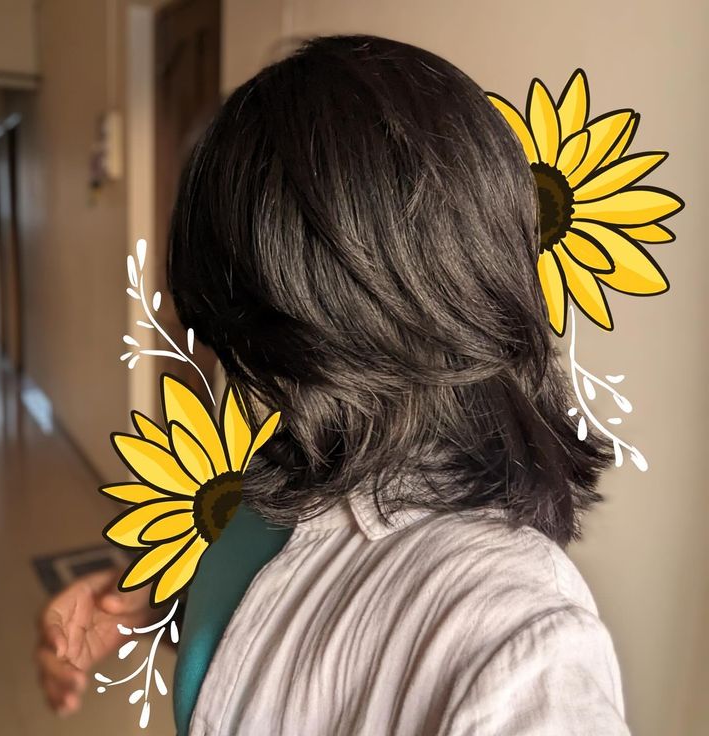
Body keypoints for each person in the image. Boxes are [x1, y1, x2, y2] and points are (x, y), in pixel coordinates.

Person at [36, 34, 630, 735]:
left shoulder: (515, 637)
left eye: (261, 335)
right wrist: (145, 608)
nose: (254, 376)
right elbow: (274, 609)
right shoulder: (297, 465)